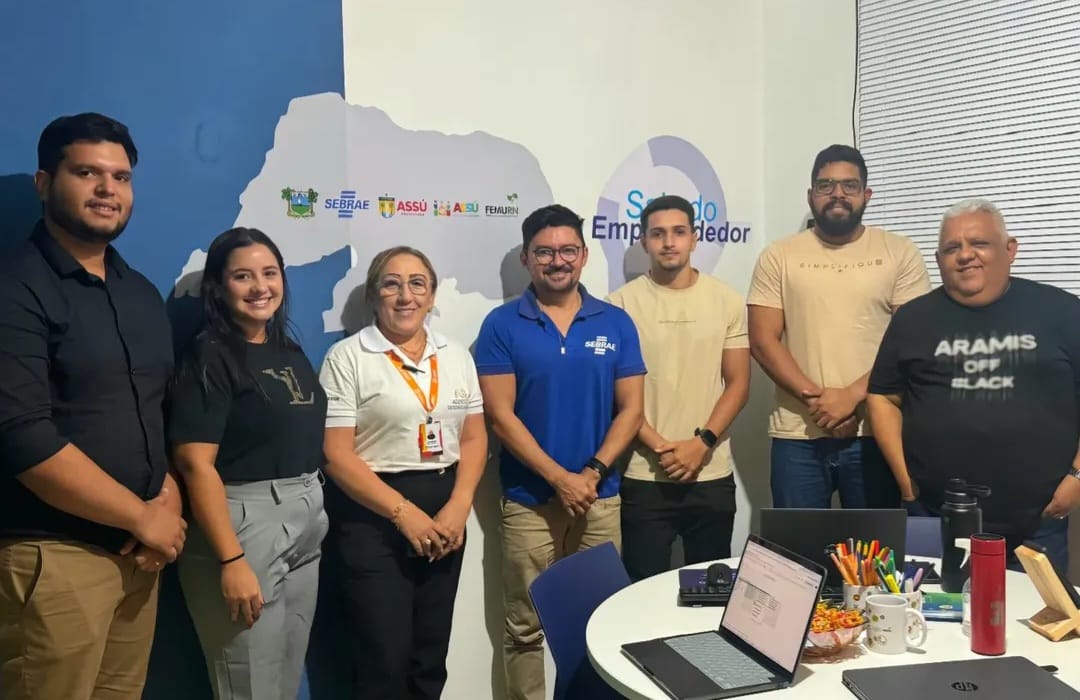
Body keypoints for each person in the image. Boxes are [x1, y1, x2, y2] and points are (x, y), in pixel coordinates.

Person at [0, 113, 187, 700]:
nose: (108, 189)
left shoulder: (140, 292)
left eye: (121, 177)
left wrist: (166, 498)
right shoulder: (14, 287)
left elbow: (152, 412)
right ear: (43, 183)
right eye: (87, 173)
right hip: (56, 556)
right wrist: (142, 517)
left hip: (139, 558)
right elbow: (22, 436)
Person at [475, 204, 646, 700]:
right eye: (545, 252)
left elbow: (632, 410)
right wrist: (559, 479)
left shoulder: (615, 322)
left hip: (600, 497)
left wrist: (590, 473)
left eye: (568, 250)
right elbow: (501, 417)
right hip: (529, 501)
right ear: (527, 259)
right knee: (524, 628)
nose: (557, 261)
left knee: (602, 622)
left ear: (584, 255)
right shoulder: (501, 324)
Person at [867, 199, 1080, 571]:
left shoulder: (1063, 311)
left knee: (1030, 611)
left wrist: (1078, 476)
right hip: (935, 516)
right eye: (952, 248)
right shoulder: (913, 319)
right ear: (939, 260)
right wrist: (905, 482)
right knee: (935, 609)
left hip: (1038, 521)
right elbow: (883, 397)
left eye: (979, 243)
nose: (965, 255)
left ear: (1009, 250)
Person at [319, 246, 488, 700]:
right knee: (383, 660)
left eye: (417, 284)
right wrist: (402, 513)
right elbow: (336, 454)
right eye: (391, 284)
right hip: (373, 515)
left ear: (432, 296)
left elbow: (474, 439)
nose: (405, 295)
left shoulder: (456, 356)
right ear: (374, 296)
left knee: (429, 656)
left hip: (445, 511)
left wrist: (460, 505)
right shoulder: (348, 357)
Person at [168, 227, 329, 699]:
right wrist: (232, 559)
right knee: (248, 687)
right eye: (243, 276)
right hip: (244, 527)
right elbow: (196, 465)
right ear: (218, 288)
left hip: (305, 520)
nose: (260, 287)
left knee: (283, 682)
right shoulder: (209, 357)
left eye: (270, 273)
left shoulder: (287, 348)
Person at [747, 144, 931, 510]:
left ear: (867, 194)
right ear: (810, 195)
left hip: (877, 433)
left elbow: (912, 342)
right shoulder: (779, 256)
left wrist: (851, 397)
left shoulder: (899, 252)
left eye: (849, 185)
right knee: (796, 545)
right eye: (826, 185)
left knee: (874, 545)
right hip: (797, 436)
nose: (838, 194)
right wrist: (820, 402)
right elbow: (763, 341)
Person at [607, 194, 750, 581]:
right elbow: (618, 395)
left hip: (710, 470)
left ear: (694, 238)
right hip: (645, 474)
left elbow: (738, 383)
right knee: (640, 590)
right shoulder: (619, 305)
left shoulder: (726, 300)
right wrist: (663, 449)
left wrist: (701, 444)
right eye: (658, 234)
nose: (668, 242)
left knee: (710, 593)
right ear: (643, 241)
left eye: (678, 232)